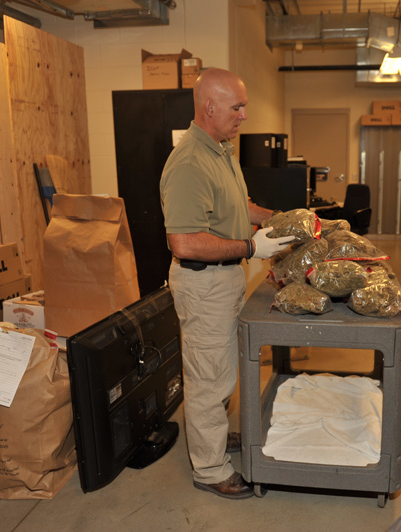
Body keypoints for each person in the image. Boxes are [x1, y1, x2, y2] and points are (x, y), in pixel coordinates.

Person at [159, 68, 294, 499]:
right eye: (237, 107)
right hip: (204, 286)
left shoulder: (223, 150)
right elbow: (185, 241)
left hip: (227, 280)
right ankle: (210, 467)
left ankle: (213, 437)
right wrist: (252, 249)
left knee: (224, 370)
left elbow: (240, 205)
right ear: (209, 107)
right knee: (207, 377)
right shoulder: (188, 163)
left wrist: (277, 221)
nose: (245, 115)